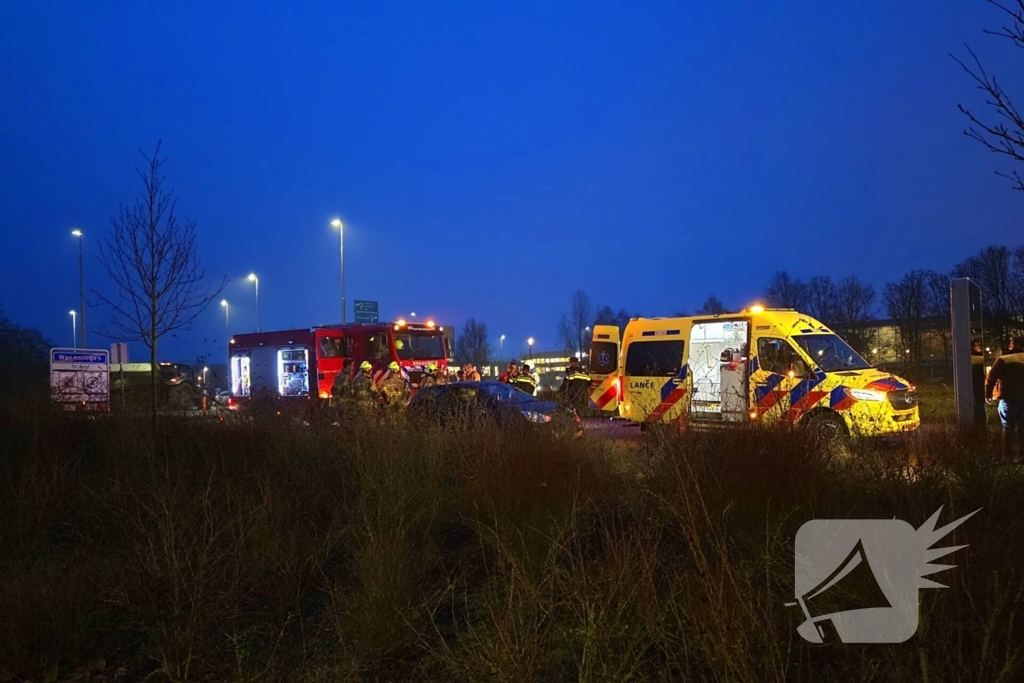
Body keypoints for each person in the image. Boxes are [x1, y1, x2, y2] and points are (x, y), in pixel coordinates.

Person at [986, 336, 1024, 462]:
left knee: (1008, 427)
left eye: (1011, 344)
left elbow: (991, 377)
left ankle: (1007, 457)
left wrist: (988, 394)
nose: (1009, 346)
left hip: (1009, 397)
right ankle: (1021, 456)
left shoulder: (1004, 359)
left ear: (1017, 345)